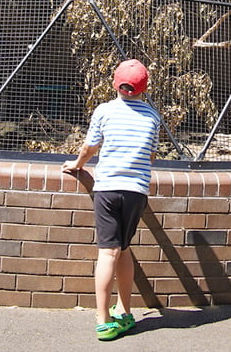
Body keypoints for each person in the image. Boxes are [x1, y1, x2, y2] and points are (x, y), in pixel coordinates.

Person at [61, 59, 161, 341]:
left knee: (108, 252)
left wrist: (77, 165)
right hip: (136, 191)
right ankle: (125, 311)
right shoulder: (153, 117)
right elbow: (151, 155)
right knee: (124, 248)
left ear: (115, 84)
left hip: (107, 189)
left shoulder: (104, 111)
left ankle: (104, 319)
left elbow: (90, 146)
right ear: (145, 86)